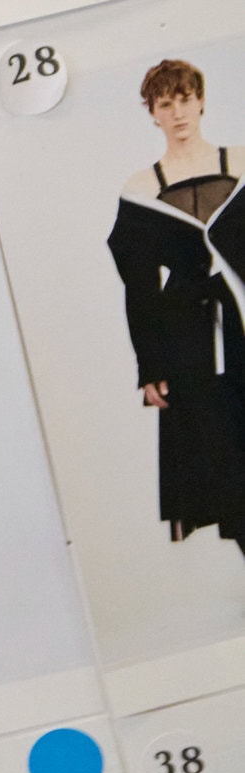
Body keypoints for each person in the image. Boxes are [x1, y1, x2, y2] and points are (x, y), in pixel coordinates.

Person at [108, 59, 245, 564]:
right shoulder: (142, 188)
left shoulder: (241, 162)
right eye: (165, 104)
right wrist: (151, 367)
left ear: (201, 101)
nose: (178, 112)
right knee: (226, 466)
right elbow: (139, 286)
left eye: (185, 99)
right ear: (153, 113)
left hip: (244, 320)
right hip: (193, 344)